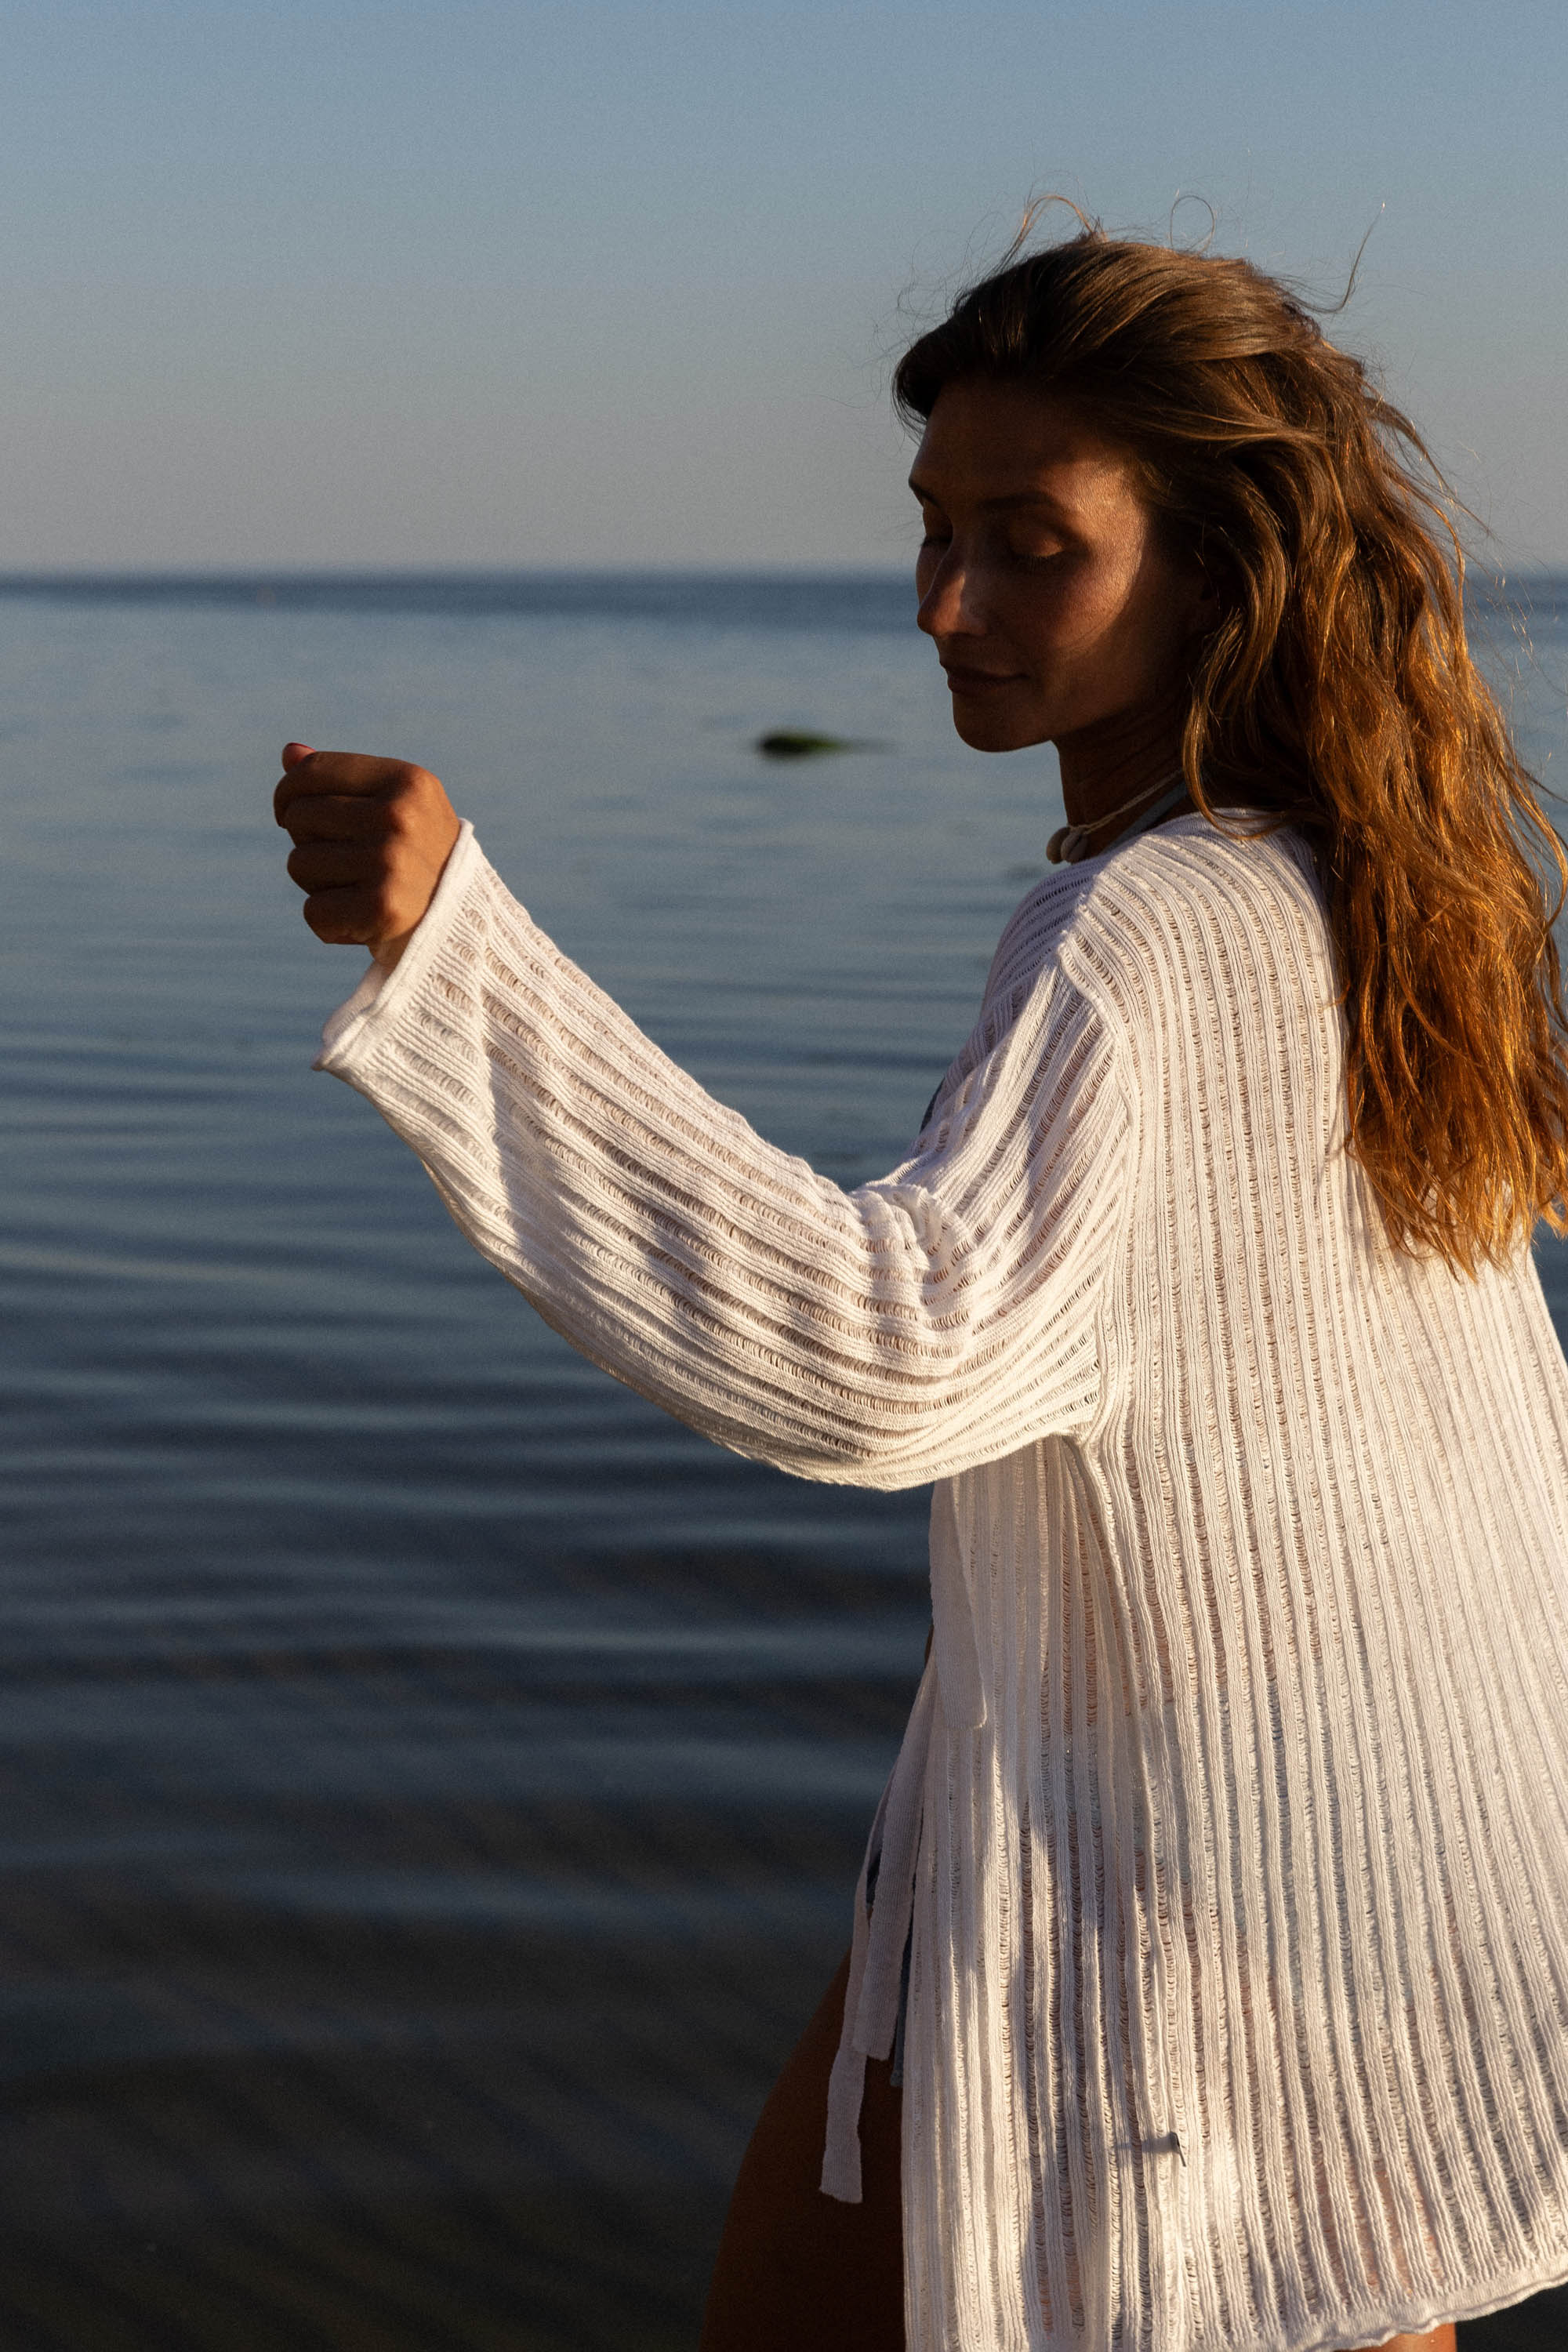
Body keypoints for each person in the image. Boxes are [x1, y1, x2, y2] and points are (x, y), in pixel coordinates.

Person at [274, 222, 1568, 2352]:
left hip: (1199, 1892)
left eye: (1030, 548)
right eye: (934, 530)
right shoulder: (1360, 886)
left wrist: (462, 968)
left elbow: (894, 1357)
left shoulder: (1153, 937)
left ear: (1222, 569)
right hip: (1260, 1818)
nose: (943, 604)